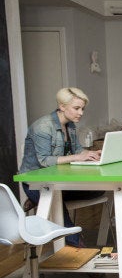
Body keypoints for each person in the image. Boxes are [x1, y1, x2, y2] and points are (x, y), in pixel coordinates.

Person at [19, 87, 104, 247]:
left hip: (57, 180)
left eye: (82, 109)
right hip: (37, 183)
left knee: (99, 189)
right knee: (59, 210)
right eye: (76, 108)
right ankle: (79, 248)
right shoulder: (43, 127)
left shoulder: (70, 125)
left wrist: (91, 154)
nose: (81, 113)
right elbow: (44, 161)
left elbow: (77, 150)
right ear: (62, 106)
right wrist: (78, 157)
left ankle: (41, 201)